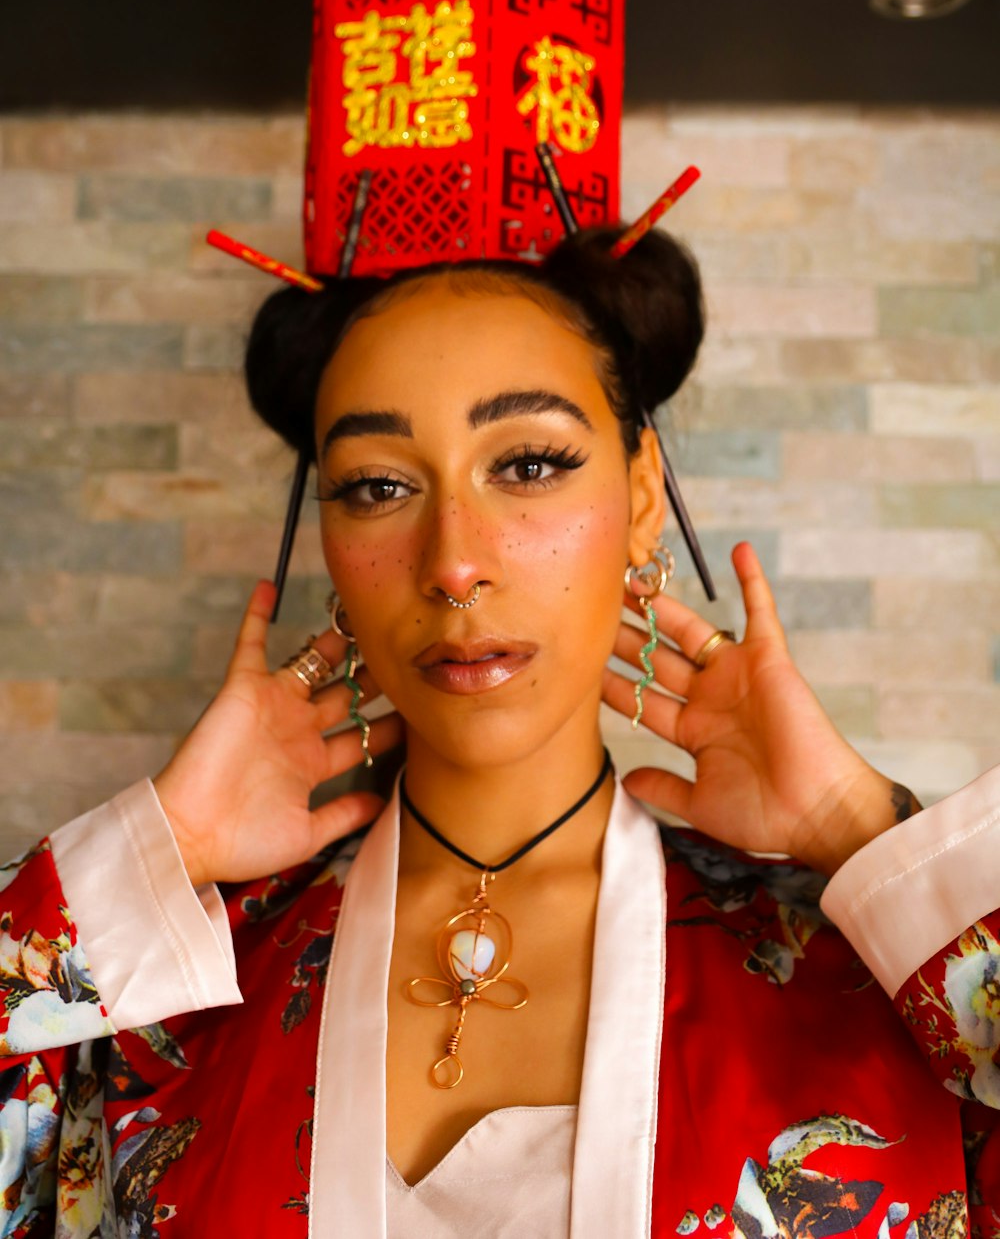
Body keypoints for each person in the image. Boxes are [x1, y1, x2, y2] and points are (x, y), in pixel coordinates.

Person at [1, 229, 998, 1239]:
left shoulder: (872, 979)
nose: (454, 563)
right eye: (379, 485)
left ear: (641, 498)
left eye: (526, 464)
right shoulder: (154, 997)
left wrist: (857, 826)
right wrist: (155, 853)